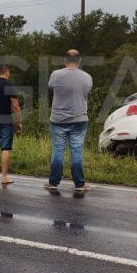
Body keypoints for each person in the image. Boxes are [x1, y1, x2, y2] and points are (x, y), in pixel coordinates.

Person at [46, 49, 93, 193]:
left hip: (58, 119)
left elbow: (50, 88)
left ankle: (53, 182)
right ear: (79, 61)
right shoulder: (87, 77)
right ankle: (79, 184)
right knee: (77, 151)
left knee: (58, 150)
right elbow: (86, 93)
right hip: (79, 119)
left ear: (65, 60)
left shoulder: (55, 75)